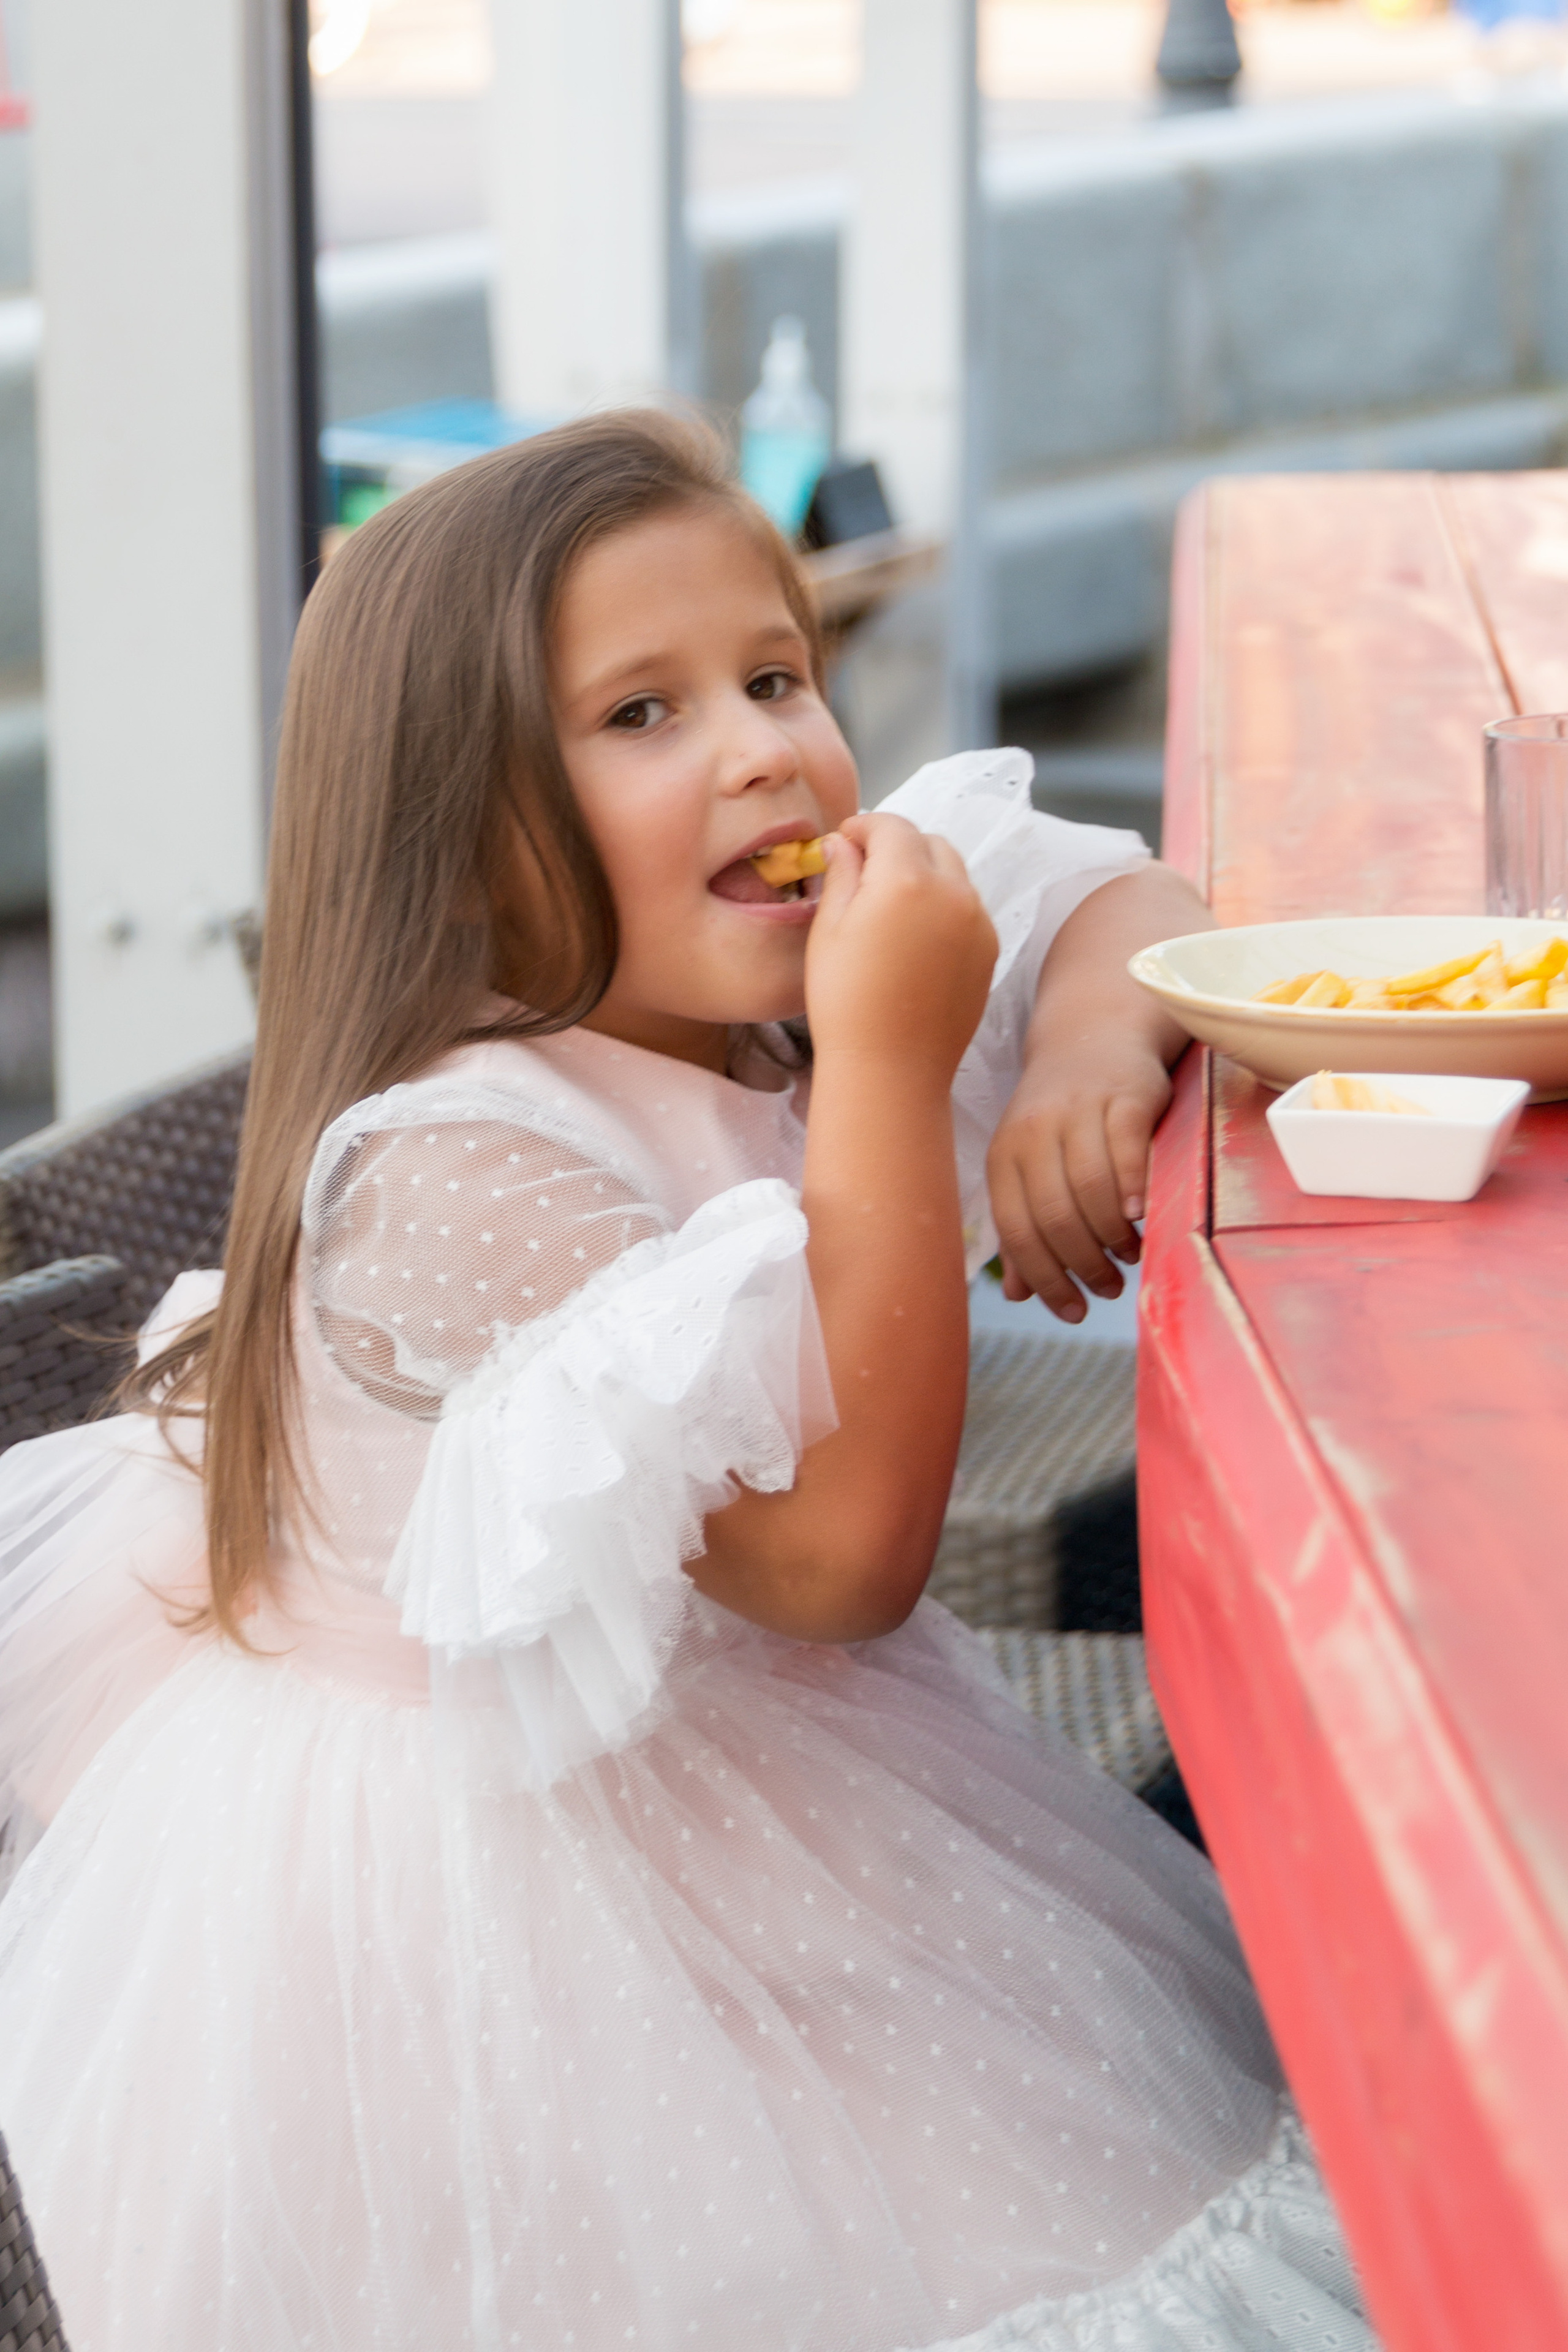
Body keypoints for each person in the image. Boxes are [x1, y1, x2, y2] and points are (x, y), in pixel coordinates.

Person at [0, 413, 1374, 2352]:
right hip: (510, 1943)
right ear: (463, 841)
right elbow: (840, 1565)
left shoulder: (744, 980)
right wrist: (888, 1074)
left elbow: (1128, 902)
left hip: (777, 1790)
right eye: (639, 715)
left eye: (775, 674)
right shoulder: (458, 1181)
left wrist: (1074, 1052)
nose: (758, 748)